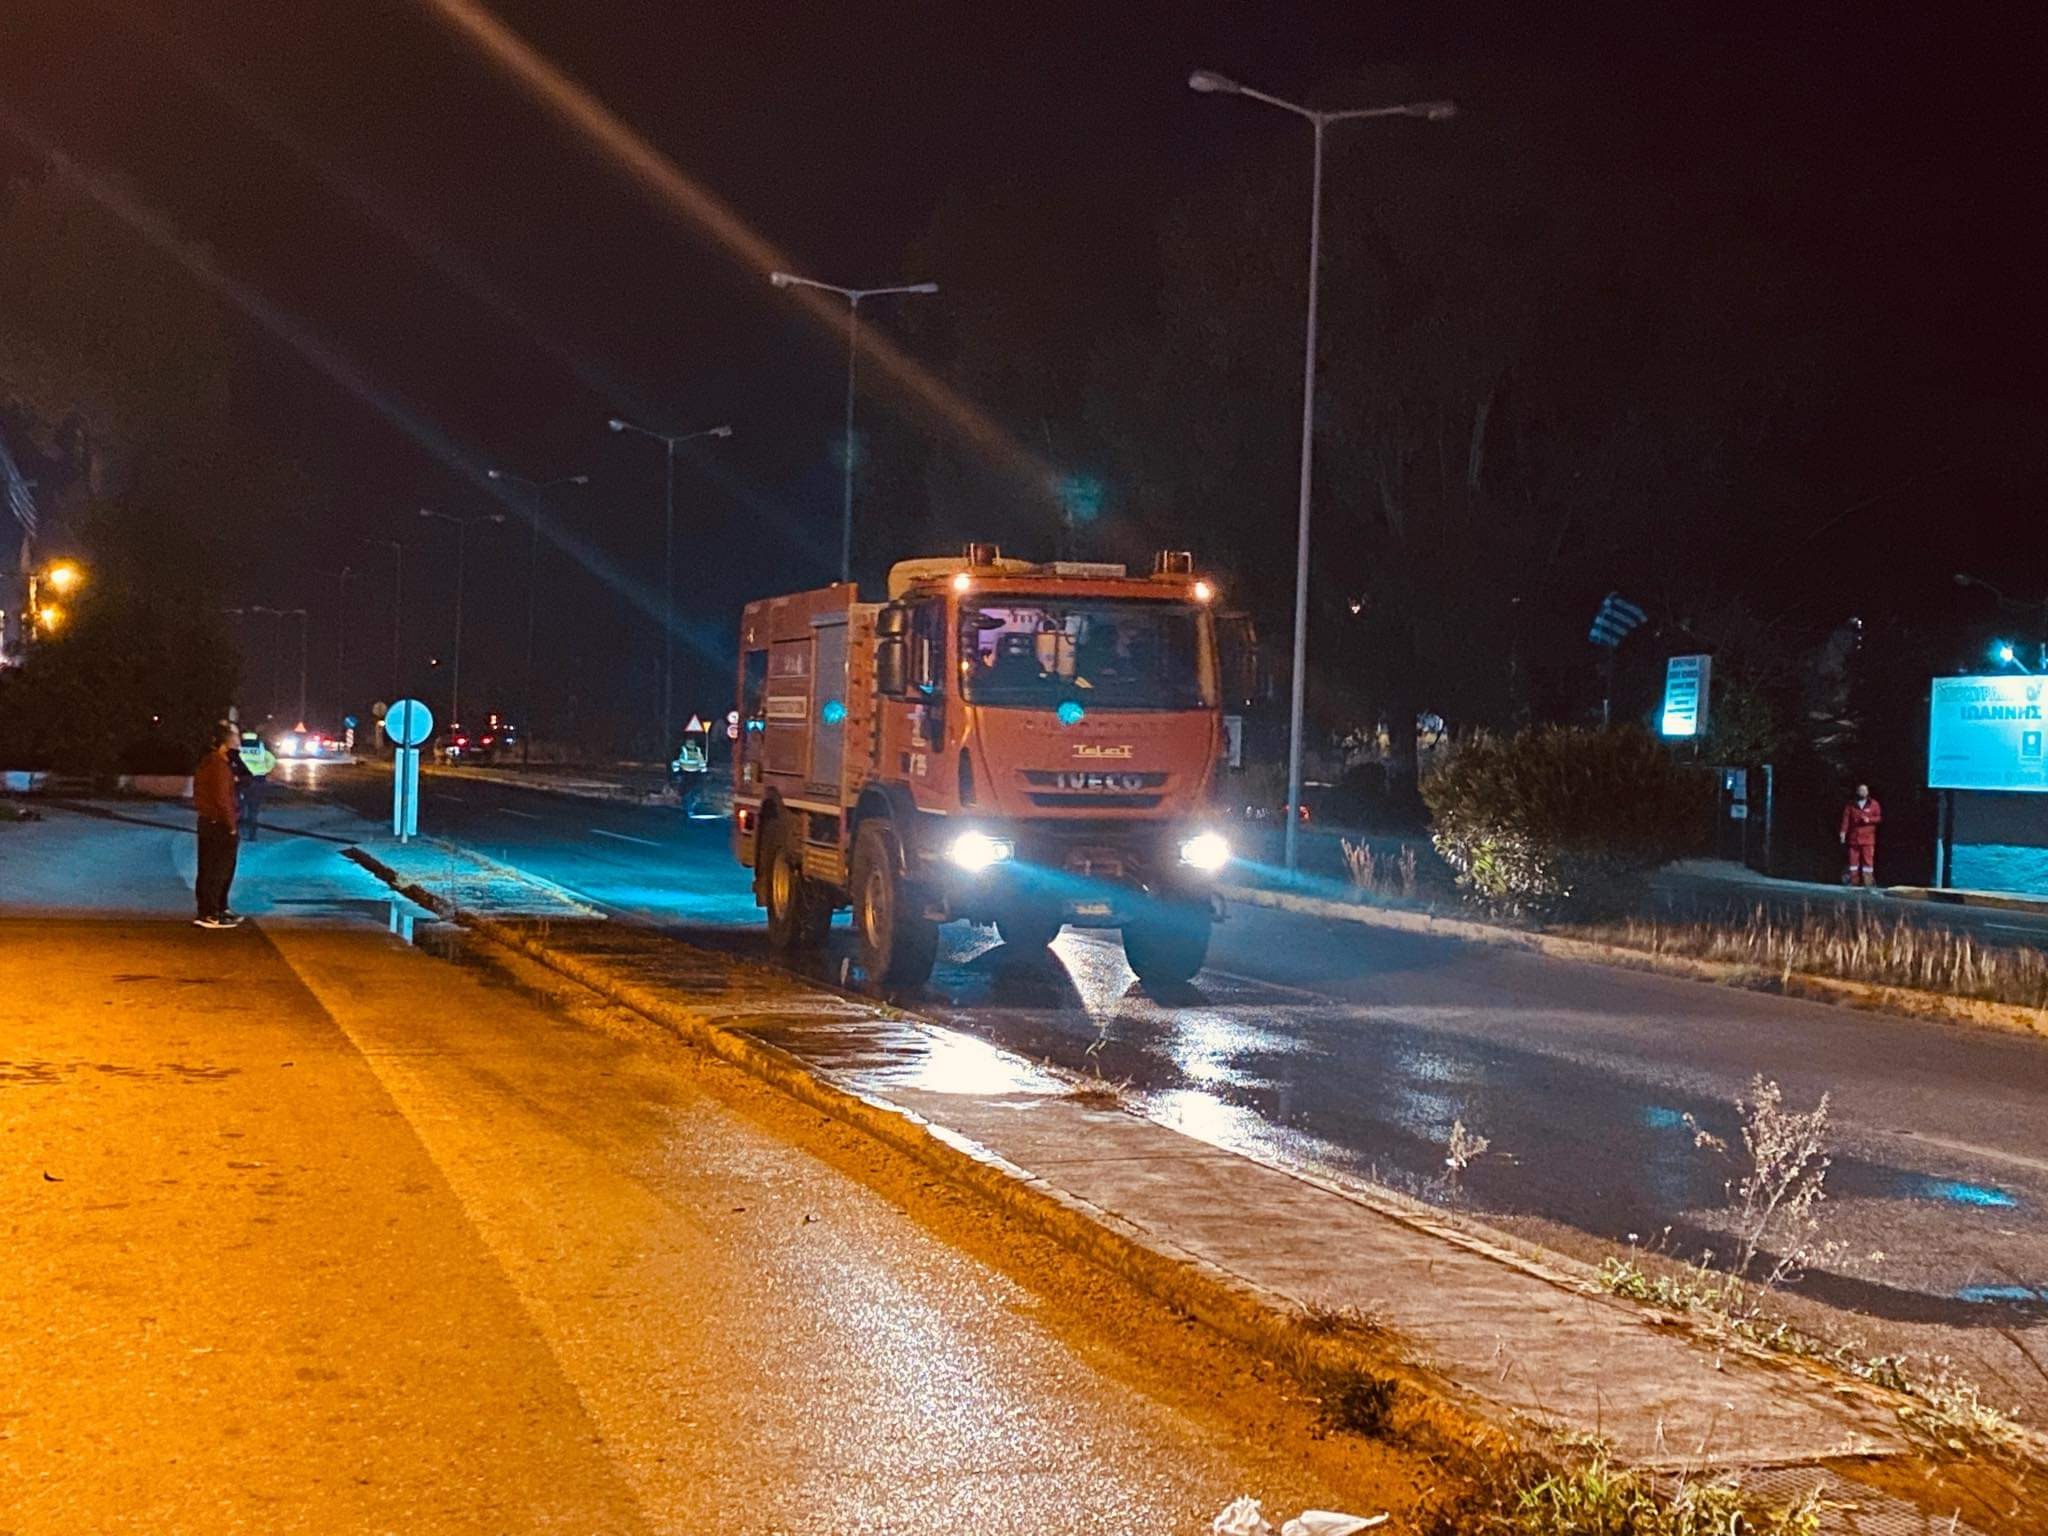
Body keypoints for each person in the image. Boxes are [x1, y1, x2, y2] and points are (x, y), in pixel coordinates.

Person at [193, 723, 243, 928]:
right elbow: (222, 798)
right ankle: (210, 912)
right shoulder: (217, 766)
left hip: (210, 822)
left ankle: (219, 909)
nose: (238, 742)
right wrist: (231, 825)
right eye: (235, 739)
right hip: (218, 824)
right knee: (216, 869)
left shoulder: (214, 762)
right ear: (225, 744)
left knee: (214, 869)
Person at [235, 730, 277, 842]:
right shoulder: (260, 746)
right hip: (258, 780)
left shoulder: (239, 746)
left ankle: (238, 833)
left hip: (242, 780)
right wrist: (264, 770)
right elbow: (272, 760)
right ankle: (252, 835)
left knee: (240, 808)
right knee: (253, 809)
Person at [1839, 782, 1883, 888]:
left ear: (1868, 792)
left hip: (1868, 839)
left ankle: (1868, 883)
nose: (1863, 792)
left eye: (1865, 790)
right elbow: (1846, 820)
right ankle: (1853, 883)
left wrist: (1869, 820)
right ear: (1857, 792)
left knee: (1868, 862)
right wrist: (1843, 832)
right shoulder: (1851, 805)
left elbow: (1879, 818)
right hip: (1854, 838)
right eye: (1861, 790)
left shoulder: (1874, 804)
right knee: (1853, 862)